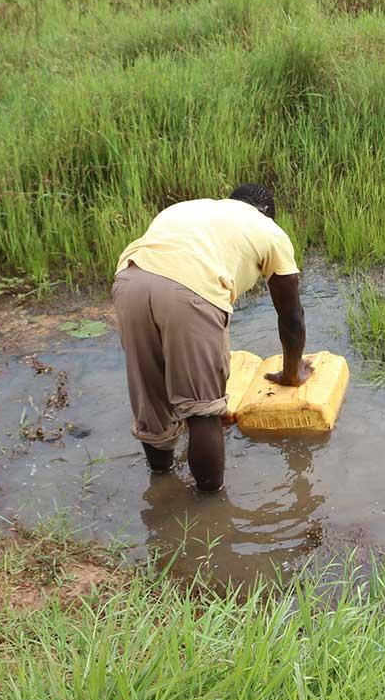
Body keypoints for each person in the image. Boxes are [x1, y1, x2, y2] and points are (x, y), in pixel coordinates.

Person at [111, 184, 312, 492]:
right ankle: (210, 513)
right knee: (203, 409)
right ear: (266, 213)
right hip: (190, 291)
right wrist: (292, 372)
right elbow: (292, 316)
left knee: (151, 399)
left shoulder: (186, 209)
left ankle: (162, 487)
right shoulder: (268, 230)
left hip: (128, 282)